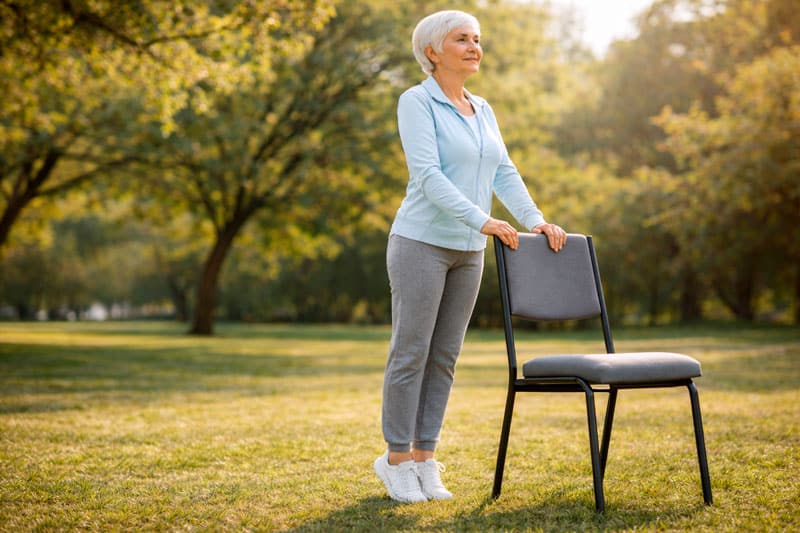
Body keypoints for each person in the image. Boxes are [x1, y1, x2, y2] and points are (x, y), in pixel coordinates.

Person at [373, 10, 567, 503]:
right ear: (432, 51)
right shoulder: (416, 102)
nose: (474, 46)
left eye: (477, 39)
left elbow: (504, 170)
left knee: (444, 358)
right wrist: (482, 219)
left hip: (469, 250)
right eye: (461, 39)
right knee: (411, 352)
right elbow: (427, 175)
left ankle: (425, 458)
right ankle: (396, 458)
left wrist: (534, 219)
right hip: (420, 242)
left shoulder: (482, 108)